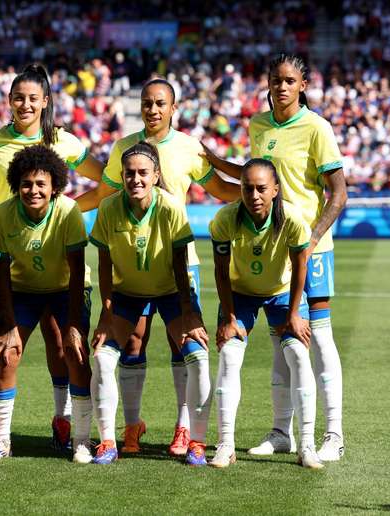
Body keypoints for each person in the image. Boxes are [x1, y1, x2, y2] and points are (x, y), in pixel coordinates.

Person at [77, 78, 239, 455]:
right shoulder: (123, 149)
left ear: (173, 108)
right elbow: (104, 195)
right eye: (147, 103)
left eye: (160, 103)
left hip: (179, 264)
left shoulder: (188, 148)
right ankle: (131, 427)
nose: (152, 110)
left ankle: (184, 428)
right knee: (133, 342)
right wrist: (63, 206)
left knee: (180, 342)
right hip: (131, 265)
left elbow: (222, 191)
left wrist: (256, 192)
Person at [203, 54, 348, 461]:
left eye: (289, 80)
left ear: (303, 84)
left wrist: (313, 239)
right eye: (274, 80)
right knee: (280, 339)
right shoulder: (258, 125)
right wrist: (215, 162)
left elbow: (338, 193)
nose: (281, 87)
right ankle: (281, 430)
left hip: (308, 247)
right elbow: (256, 176)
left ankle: (333, 432)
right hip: (269, 247)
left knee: (315, 338)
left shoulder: (317, 127)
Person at [0, 63, 104, 451]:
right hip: (10, 253)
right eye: (18, 98)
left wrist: (72, 206)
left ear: (45, 102)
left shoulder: (66, 142)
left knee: (62, 346)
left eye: (32, 98)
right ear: (8, 101)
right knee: (0, 344)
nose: (24, 104)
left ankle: (64, 422)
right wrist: (0, 198)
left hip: (56, 256)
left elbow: (106, 178)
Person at [89, 142, 211, 466]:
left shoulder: (171, 207)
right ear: (122, 176)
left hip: (170, 292)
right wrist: (105, 315)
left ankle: (196, 441)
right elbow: (104, 265)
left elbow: (180, 264)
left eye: (143, 172)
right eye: (130, 173)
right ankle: (108, 443)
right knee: (102, 358)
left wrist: (190, 313)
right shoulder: (108, 208)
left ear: (156, 175)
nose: (136, 179)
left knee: (197, 355)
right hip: (127, 294)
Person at [208, 158, 323, 469]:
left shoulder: (293, 220)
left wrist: (295, 314)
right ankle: (225, 444)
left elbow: (301, 268)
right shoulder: (225, 218)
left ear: (275, 190)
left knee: (298, 355)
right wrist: (229, 318)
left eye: (261, 188)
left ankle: (307, 445)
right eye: (247, 188)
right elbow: (220, 272)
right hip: (240, 294)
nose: (254, 195)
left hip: (282, 293)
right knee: (230, 355)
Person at [0, 145, 93, 463]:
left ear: (54, 187)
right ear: (17, 185)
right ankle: (2, 441)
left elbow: (76, 272)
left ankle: (81, 439)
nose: (33, 190)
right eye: (27, 184)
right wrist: (7, 325)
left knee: (73, 352)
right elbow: (1, 272)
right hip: (22, 291)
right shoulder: (3, 213)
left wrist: (74, 326)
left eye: (41, 184)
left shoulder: (68, 212)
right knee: (5, 355)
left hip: (65, 290)